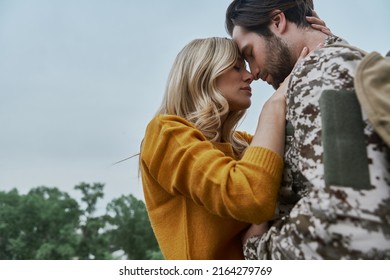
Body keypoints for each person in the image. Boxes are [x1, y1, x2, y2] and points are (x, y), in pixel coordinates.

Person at [225, 0, 390, 259]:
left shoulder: (321, 72)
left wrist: (256, 250)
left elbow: (350, 219)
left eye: (249, 53)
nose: (253, 72)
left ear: (277, 21)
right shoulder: (342, 61)